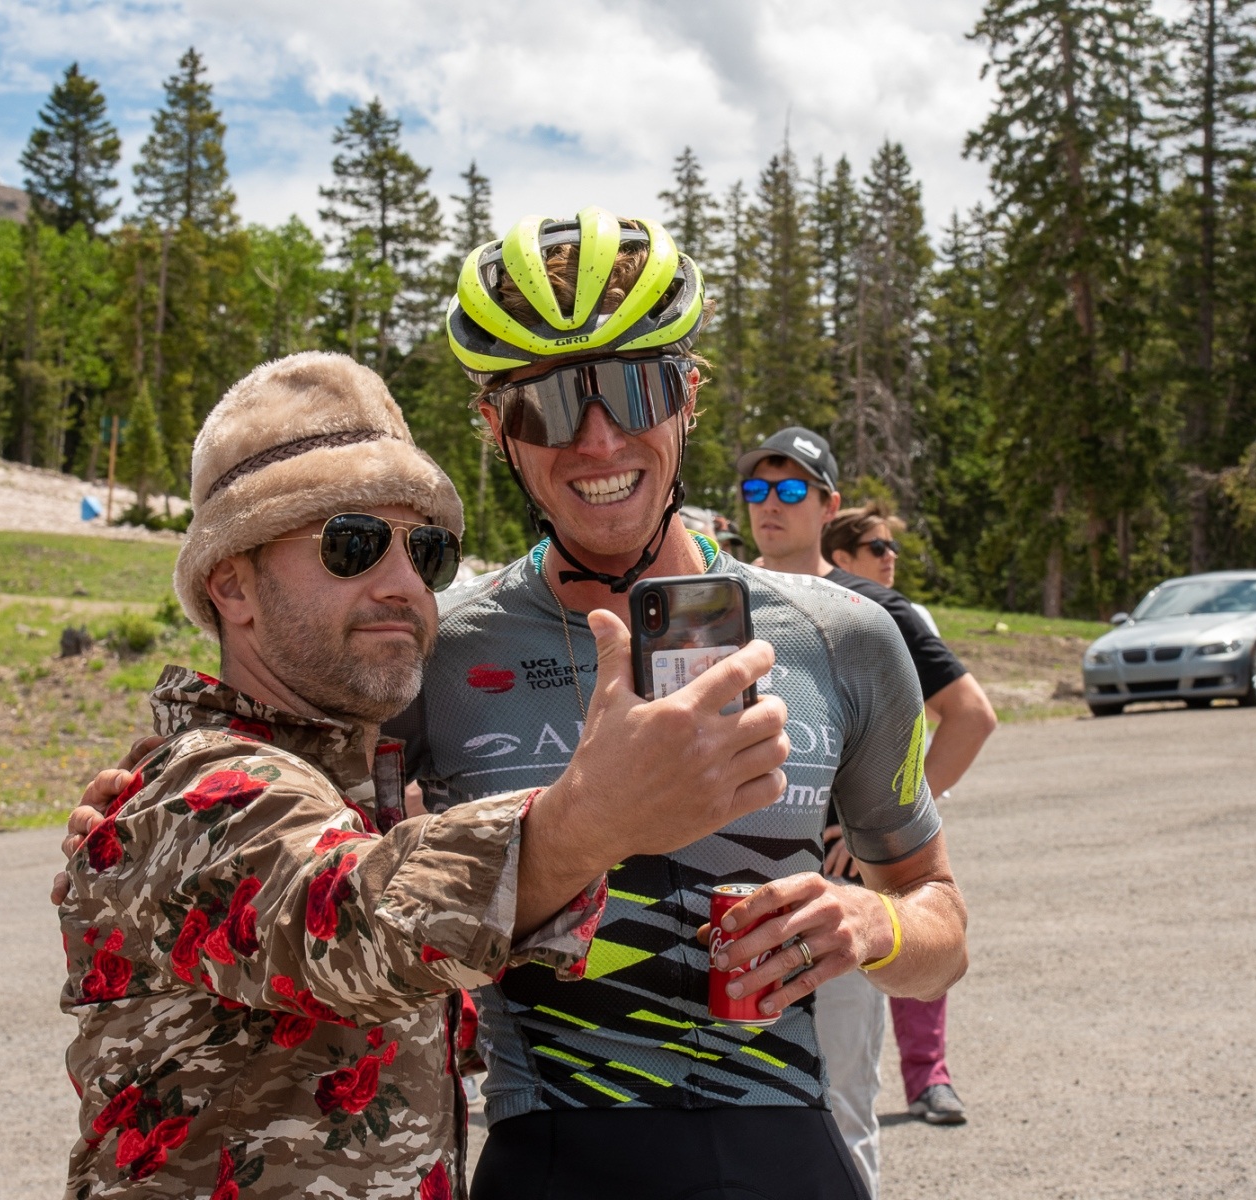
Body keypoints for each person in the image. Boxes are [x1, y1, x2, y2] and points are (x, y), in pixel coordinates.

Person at [53, 351, 791, 1198]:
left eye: (428, 552)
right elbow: (350, 920)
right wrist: (591, 816)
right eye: (353, 545)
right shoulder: (193, 793)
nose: (406, 585)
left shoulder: (352, 797)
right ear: (232, 583)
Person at [414, 206, 967, 1199]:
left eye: (631, 387)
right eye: (543, 405)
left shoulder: (841, 635)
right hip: (548, 1153)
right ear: (494, 426)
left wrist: (870, 925)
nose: (595, 438)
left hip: (785, 1148)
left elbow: (941, 923)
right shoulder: (438, 650)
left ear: (688, 395)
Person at [743, 430, 995, 1187]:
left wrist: (886, 821)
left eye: (792, 492)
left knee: (842, 1099)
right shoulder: (715, 596)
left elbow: (971, 714)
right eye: (758, 491)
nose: (771, 507)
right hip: (733, 891)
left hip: (840, 895)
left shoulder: (872, 609)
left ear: (830, 505)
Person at [822, 499, 997, 1127]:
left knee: (922, 944)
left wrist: (901, 808)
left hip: (894, 819)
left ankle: (929, 1081)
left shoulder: (900, 616)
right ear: (840, 555)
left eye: (892, 548)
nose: (891, 558)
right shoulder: (794, 605)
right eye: (877, 548)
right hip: (829, 836)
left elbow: (967, 714)